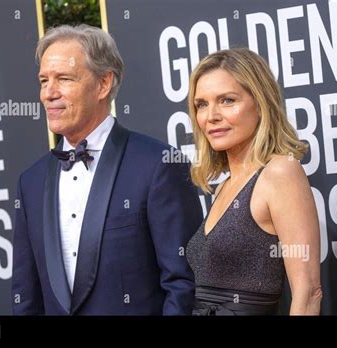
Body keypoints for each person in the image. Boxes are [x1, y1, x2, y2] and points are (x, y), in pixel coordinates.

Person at [11, 24, 203, 315]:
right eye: (43, 80)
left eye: (64, 79)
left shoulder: (158, 165)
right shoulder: (30, 183)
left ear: (103, 84)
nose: (48, 93)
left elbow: (184, 284)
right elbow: (26, 298)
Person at [186, 48, 322, 315]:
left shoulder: (281, 172)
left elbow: (308, 294)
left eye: (227, 100)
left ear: (260, 104)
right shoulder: (225, 185)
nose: (211, 115)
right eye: (202, 104)